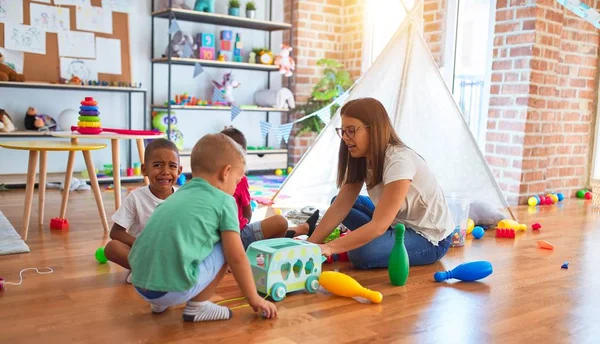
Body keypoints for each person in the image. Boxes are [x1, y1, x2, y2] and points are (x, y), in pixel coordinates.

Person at [128, 133, 277, 322]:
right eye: (237, 181)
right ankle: (198, 306)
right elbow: (237, 256)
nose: (235, 187)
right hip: (171, 289)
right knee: (228, 245)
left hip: (141, 283)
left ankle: (160, 303)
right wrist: (254, 298)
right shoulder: (225, 201)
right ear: (226, 172)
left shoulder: (177, 195)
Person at [307, 97, 455, 269]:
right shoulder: (361, 157)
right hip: (395, 223)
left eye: (352, 130)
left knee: (360, 254)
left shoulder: (399, 161)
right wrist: (308, 247)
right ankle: (382, 240)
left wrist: (329, 248)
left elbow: (379, 225)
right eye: (343, 131)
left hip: (429, 237)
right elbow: (341, 206)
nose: (346, 138)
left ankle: (379, 241)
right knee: (339, 203)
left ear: (374, 129)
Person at [220, 127, 319, 249]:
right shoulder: (240, 179)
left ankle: (299, 229)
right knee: (280, 222)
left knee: (272, 226)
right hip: (237, 237)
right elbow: (247, 213)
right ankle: (294, 233)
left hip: (227, 238)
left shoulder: (209, 181)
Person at [104, 138, 182, 283]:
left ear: (179, 171)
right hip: (144, 253)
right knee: (112, 248)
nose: (165, 172)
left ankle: (153, 272)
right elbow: (115, 232)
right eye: (158, 165)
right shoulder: (136, 197)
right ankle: (150, 270)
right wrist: (143, 244)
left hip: (173, 254)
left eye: (172, 166)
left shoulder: (184, 198)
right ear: (145, 169)